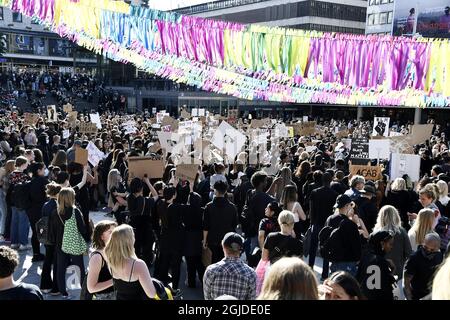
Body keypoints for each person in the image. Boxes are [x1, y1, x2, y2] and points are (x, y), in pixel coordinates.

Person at [49, 187, 89, 299]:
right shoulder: (75, 211)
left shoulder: (54, 212)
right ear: (71, 198)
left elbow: (52, 232)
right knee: (80, 267)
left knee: (60, 268)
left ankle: (63, 292)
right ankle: (85, 291)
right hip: (74, 243)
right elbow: (83, 230)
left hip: (59, 245)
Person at [104, 224, 157, 300]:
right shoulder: (138, 264)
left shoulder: (110, 259)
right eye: (133, 235)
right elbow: (151, 294)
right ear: (129, 240)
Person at [373, 205, 412, 297]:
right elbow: (409, 252)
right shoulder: (401, 232)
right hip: (398, 272)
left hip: (379, 273)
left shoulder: (376, 233)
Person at [203, 232, 256, 300]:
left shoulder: (211, 270)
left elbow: (207, 297)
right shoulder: (250, 273)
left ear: (223, 246)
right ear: (240, 250)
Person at [322, 194, 363, 277]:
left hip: (334, 260)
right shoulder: (350, 223)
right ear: (347, 206)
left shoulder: (330, 219)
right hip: (348, 262)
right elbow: (356, 244)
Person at [308, 172, 338, 279]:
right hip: (328, 225)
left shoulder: (314, 192)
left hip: (316, 223)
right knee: (326, 249)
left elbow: (311, 210)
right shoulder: (334, 194)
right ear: (331, 180)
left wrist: (311, 223)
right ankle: (325, 274)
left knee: (313, 247)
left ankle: (310, 268)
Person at [203, 181, 238, 264]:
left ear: (215, 191)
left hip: (212, 240)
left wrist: (204, 241)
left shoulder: (209, 206)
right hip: (227, 240)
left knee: (213, 262)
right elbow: (234, 225)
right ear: (226, 191)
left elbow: (205, 226)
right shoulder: (232, 207)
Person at [242, 171, 275, 257]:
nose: (266, 183)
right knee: (257, 254)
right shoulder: (268, 199)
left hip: (250, 228)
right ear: (261, 183)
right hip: (260, 230)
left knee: (250, 252)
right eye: (265, 181)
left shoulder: (249, 193)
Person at [356, 230, 396, 300]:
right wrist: (392, 271)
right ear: (382, 244)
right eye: (390, 244)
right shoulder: (381, 262)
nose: (391, 247)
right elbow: (386, 288)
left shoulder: (365, 257)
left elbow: (358, 280)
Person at [403, 233, 444, 300]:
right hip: (417, 296)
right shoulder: (414, 258)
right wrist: (409, 298)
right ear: (423, 243)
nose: (427, 251)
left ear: (438, 248)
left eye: (432, 250)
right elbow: (406, 284)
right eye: (425, 247)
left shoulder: (439, 255)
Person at [87, 220, 117, 300]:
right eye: (110, 232)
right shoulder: (97, 257)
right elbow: (91, 288)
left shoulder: (113, 251)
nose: (115, 234)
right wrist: (115, 280)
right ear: (101, 236)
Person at [39, 183, 61, 295]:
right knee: (57, 262)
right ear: (57, 193)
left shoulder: (45, 205)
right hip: (56, 237)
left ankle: (44, 285)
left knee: (47, 261)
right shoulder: (58, 205)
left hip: (47, 237)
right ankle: (56, 288)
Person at [27, 162, 49, 261]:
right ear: (38, 171)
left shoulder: (30, 181)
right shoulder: (43, 181)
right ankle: (49, 255)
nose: (45, 170)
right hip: (41, 210)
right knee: (44, 232)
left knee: (35, 233)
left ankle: (36, 254)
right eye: (43, 169)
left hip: (31, 210)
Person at [8, 156, 31, 250]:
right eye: (26, 163)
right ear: (22, 164)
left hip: (13, 201)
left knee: (14, 222)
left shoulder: (11, 174)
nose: (27, 164)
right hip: (22, 202)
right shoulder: (23, 176)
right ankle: (23, 243)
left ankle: (14, 242)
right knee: (23, 222)